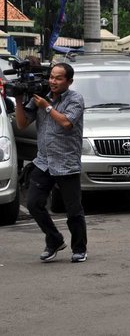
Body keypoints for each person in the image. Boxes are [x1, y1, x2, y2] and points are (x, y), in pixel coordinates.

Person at [14, 62, 88, 263]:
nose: (53, 81)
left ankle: (79, 248)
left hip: (66, 162)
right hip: (44, 161)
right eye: (51, 77)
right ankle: (54, 239)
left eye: (58, 78)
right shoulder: (40, 98)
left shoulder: (75, 99)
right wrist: (19, 100)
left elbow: (66, 123)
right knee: (33, 204)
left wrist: (46, 107)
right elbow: (21, 124)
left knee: (73, 210)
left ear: (69, 81)